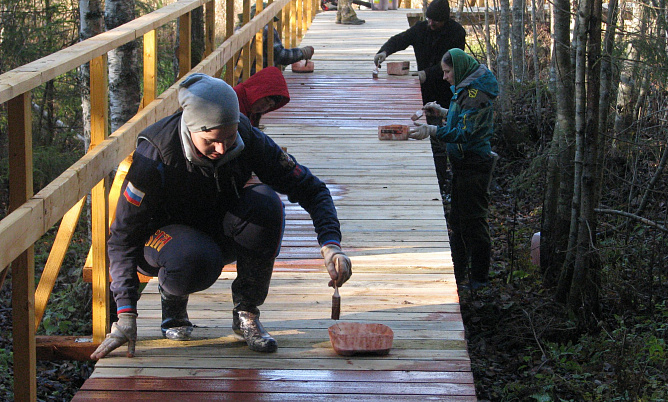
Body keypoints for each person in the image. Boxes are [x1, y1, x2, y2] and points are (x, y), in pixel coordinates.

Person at [90, 73, 352, 359]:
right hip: (165, 241)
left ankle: (246, 312)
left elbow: (312, 189)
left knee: (266, 205)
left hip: (215, 225)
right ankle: (173, 302)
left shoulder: (247, 135)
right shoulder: (154, 155)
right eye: (211, 141)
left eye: (229, 138)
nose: (222, 149)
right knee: (193, 258)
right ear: (190, 129)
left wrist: (331, 245)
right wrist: (126, 314)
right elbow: (122, 238)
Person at [408, 48, 499, 291]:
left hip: (474, 166)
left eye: (447, 72)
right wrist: (443, 113)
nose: (445, 77)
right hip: (463, 165)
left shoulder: (475, 93)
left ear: (458, 70)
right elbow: (464, 119)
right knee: (458, 222)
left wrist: (434, 130)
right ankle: (458, 275)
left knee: (474, 223)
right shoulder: (467, 88)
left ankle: (479, 280)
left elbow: (466, 133)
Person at [374, 0, 465, 202]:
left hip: (445, 92)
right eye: (429, 19)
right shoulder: (422, 28)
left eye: (436, 21)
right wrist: (384, 51)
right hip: (422, 91)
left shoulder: (456, 33)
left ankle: (440, 184)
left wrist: (426, 73)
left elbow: (454, 65)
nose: (430, 24)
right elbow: (401, 39)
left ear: (445, 20)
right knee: (420, 131)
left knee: (440, 140)